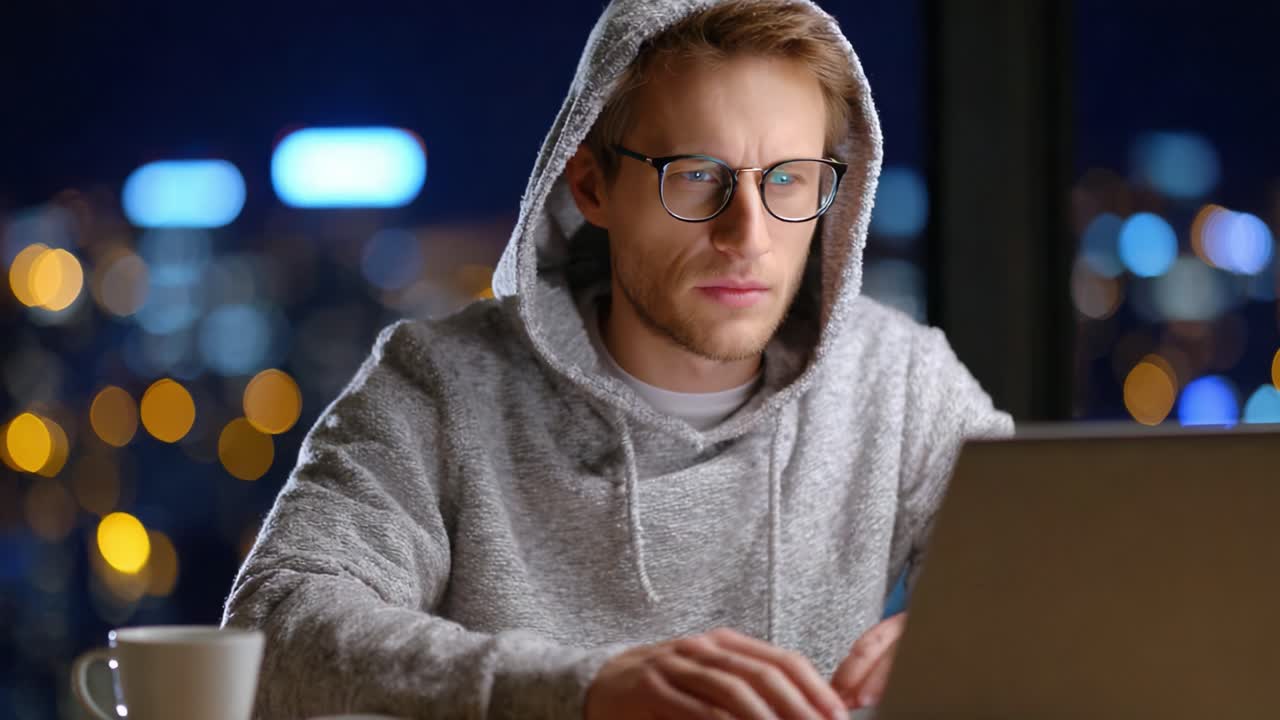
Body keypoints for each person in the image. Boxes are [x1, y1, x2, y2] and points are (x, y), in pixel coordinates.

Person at [222, 0, 1013, 718]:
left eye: (790, 180)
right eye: (698, 177)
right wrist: (583, 692)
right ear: (593, 187)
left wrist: (968, 638)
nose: (749, 234)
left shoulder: (900, 381)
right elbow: (275, 626)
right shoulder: (440, 385)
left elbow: (1072, 579)